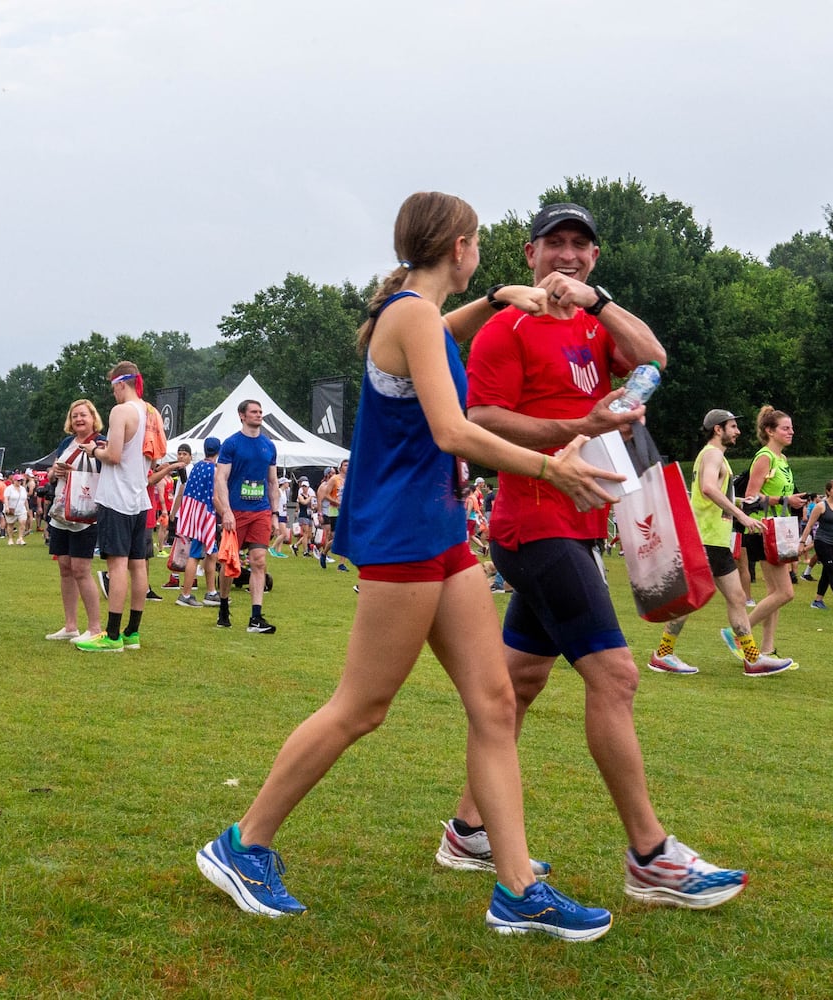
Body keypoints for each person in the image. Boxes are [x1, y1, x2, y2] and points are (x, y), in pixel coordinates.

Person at [196, 191, 615, 940]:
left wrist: (492, 299)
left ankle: (517, 888)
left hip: (440, 530)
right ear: (458, 246)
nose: (482, 251)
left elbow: (438, 342)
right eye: (479, 244)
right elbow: (454, 430)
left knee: (492, 705)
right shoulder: (409, 314)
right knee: (362, 707)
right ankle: (242, 844)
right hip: (404, 536)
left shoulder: (412, 311)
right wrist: (551, 469)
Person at [459, 200, 747, 909]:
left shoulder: (596, 324)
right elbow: (480, 418)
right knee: (616, 678)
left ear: (594, 259)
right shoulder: (505, 326)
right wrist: (578, 425)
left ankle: (468, 829)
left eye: (580, 246)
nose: (567, 255)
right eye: (554, 243)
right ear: (528, 255)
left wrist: (603, 301)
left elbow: (654, 357)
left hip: (580, 524)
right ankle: (649, 855)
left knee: (520, 684)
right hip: (532, 521)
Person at [645, 409, 794, 676]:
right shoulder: (713, 454)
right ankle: (663, 655)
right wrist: (740, 516)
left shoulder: (715, 457)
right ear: (718, 429)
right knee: (694, 598)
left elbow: (714, 493)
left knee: (736, 598)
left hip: (714, 539)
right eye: (733, 426)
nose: (737, 432)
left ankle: (751, 659)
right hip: (706, 538)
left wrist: (741, 503)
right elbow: (708, 488)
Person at [74, 361, 153, 653]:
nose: (113, 395)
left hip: (116, 497)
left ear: (121, 384)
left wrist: (95, 450)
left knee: (117, 565)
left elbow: (115, 455)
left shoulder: (121, 411)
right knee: (138, 564)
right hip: (138, 496)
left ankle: (113, 635)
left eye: (113, 388)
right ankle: (132, 632)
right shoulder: (150, 411)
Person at [740, 406, 809, 657]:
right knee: (784, 592)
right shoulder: (765, 457)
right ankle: (740, 631)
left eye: (791, 427)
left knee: (774, 594)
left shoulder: (782, 460)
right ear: (770, 431)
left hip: (779, 529)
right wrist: (784, 500)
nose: (791, 432)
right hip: (762, 529)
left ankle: (767, 650)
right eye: (785, 428)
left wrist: (794, 502)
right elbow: (750, 497)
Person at [213, 399, 282, 633]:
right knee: (230, 564)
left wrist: (275, 514)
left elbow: (273, 482)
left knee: (259, 561)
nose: (258, 415)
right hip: (236, 512)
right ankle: (223, 605)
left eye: (260, 412)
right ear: (242, 415)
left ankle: (255, 617)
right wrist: (227, 511)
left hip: (260, 511)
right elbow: (221, 478)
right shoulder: (231, 444)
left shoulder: (269, 446)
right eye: (254, 412)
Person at [45, 399, 105, 642]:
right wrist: (54, 473)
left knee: (82, 569)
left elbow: (106, 473)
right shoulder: (66, 443)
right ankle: (70, 625)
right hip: (61, 511)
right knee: (65, 567)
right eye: (74, 415)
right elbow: (51, 473)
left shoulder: (101, 444)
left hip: (85, 513)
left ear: (93, 418)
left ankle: (94, 627)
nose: (79, 419)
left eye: (83, 415)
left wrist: (75, 474)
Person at [174, 437, 222, 608]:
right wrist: (225, 513)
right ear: (219, 451)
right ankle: (185, 594)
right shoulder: (214, 470)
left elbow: (186, 490)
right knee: (195, 555)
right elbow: (215, 497)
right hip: (205, 516)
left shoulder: (197, 467)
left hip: (195, 514)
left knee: (212, 553)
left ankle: (212, 592)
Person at [801, 480, 833, 612]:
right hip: (822, 542)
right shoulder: (821, 506)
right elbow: (809, 525)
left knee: (827, 572)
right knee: (832, 570)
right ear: (828, 491)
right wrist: (802, 542)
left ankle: (817, 601)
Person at [314, 461, 349, 571]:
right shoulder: (335, 479)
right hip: (335, 511)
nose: (348, 467)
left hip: (346, 510)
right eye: (345, 465)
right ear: (340, 467)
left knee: (345, 536)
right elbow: (326, 495)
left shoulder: (350, 479)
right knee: (337, 537)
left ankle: (341, 564)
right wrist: (337, 503)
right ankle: (324, 553)